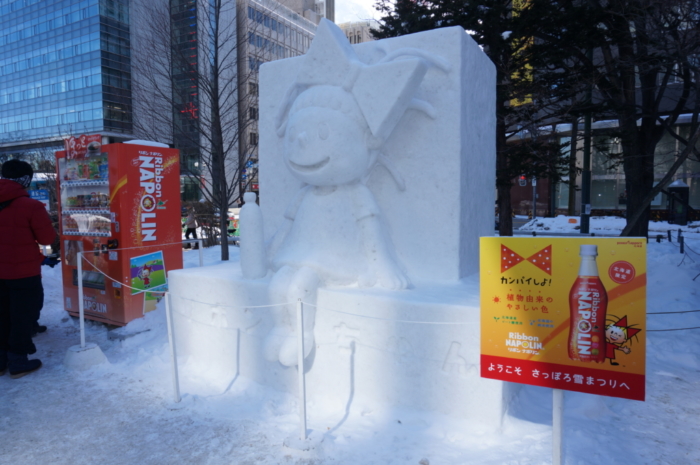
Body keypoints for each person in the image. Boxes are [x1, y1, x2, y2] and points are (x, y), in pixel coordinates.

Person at [0, 159, 57, 378]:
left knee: (2, 314)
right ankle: (18, 361)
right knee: (22, 316)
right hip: (23, 273)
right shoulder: (31, 206)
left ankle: (1, 360)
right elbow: (46, 238)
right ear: (25, 180)